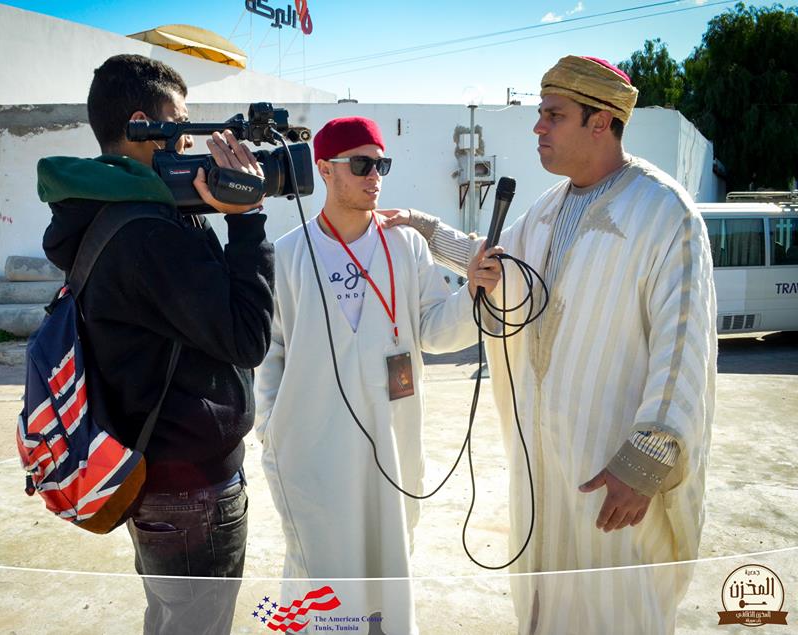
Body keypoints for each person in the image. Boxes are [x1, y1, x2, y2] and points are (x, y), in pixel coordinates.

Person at [384, 55, 716, 634]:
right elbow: (499, 268)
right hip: (542, 464)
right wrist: (427, 231)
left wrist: (646, 462)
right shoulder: (544, 210)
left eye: (553, 115)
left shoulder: (667, 214)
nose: (538, 127)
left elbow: (684, 345)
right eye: (541, 114)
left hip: (613, 472)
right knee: (546, 607)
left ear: (602, 121)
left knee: (616, 608)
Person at [37, 54, 274, 635]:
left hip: (156, 481)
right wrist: (248, 219)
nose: (190, 141)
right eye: (182, 123)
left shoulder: (103, 214)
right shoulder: (149, 233)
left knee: (172, 623)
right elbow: (248, 336)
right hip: (191, 492)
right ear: (144, 124)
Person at [254, 116, 503, 634]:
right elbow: (268, 352)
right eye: (362, 164)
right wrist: (271, 425)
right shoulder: (287, 254)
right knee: (320, 578)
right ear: (324, 168)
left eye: (381, 164)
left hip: (392, 445)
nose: (375, 177)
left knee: (389, 570)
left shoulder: (406, 246)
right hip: (313, 450)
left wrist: (472, 293)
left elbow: (433, 329)